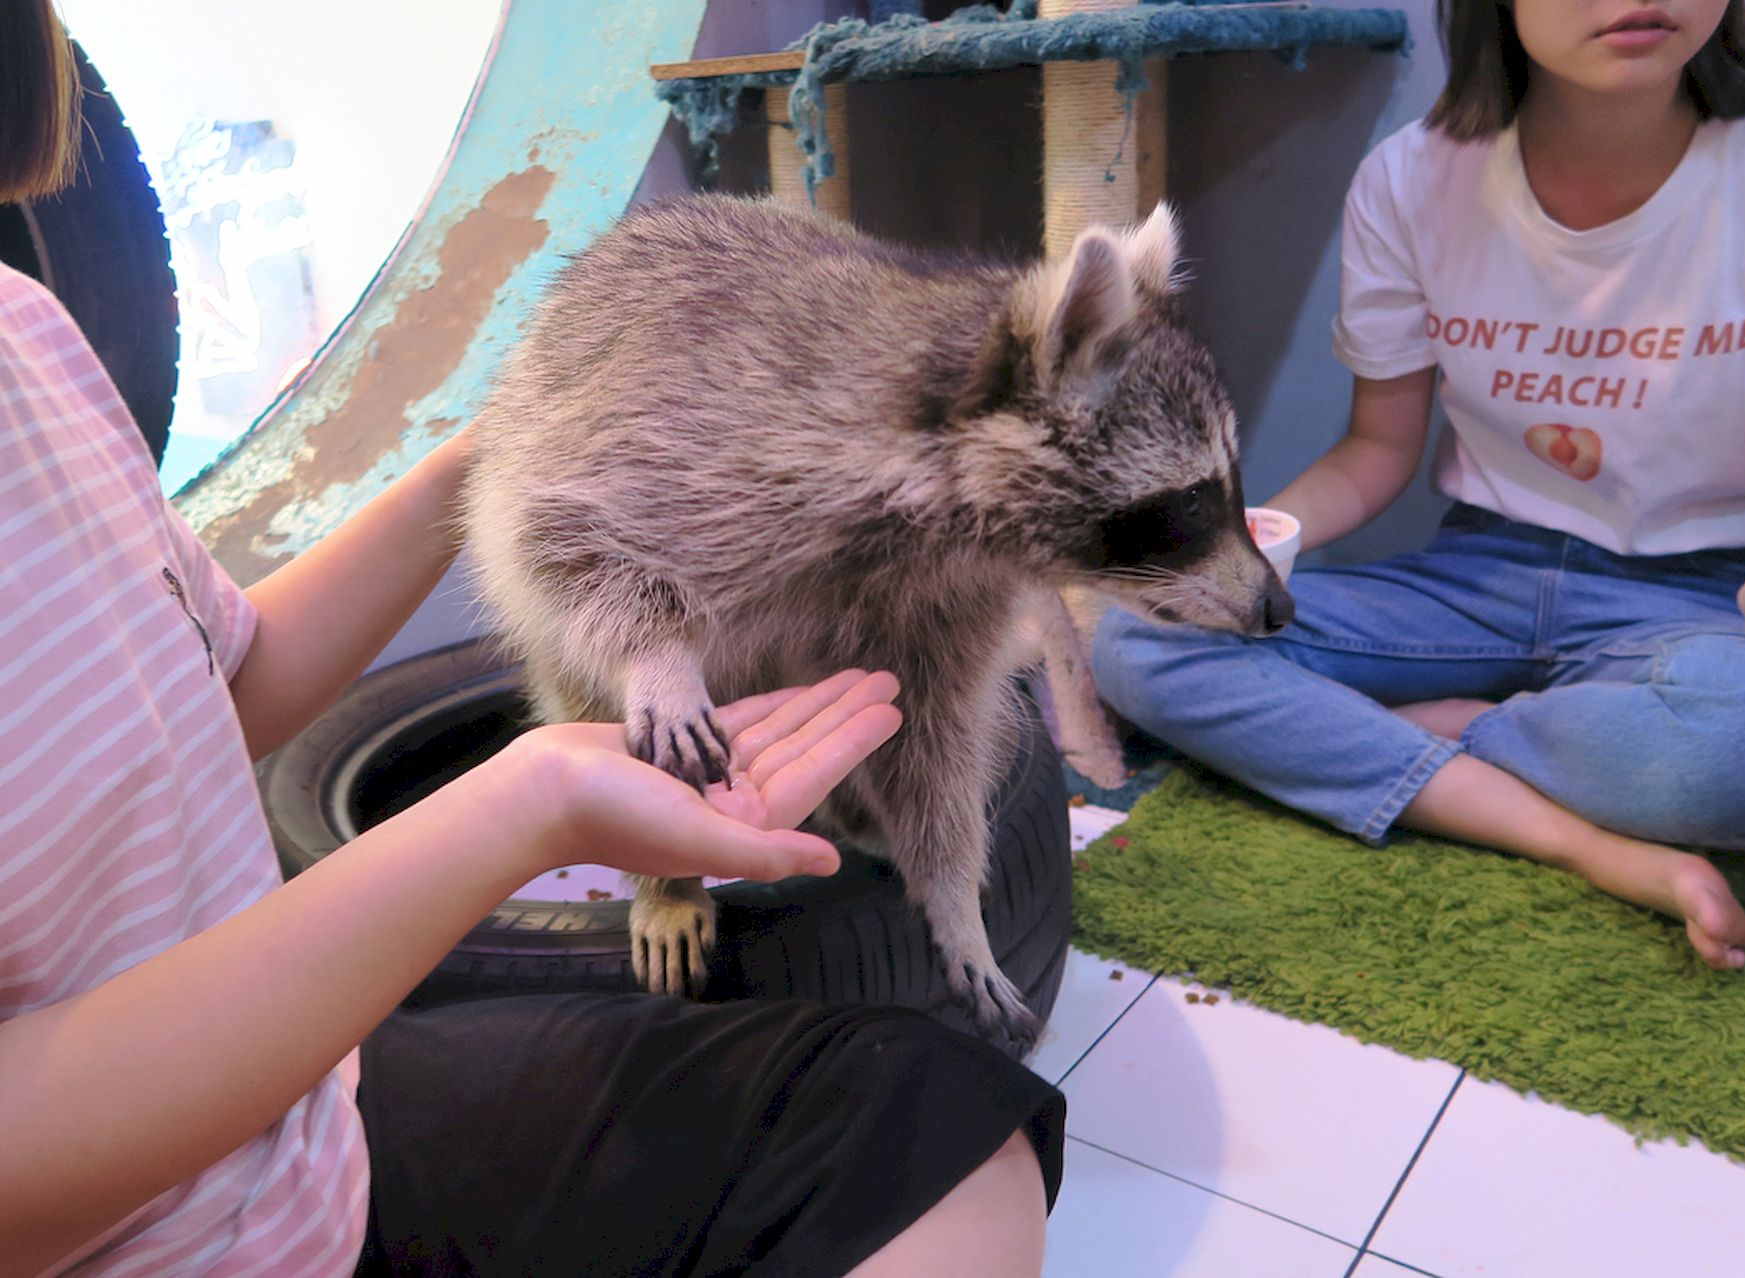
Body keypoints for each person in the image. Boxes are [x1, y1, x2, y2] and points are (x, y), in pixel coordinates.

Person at [0, 5, 1062, 1274]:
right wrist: (522, 809)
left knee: (950, 1132)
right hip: (157, 1237)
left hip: (310, 1134)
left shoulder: (31, 331)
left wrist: (547, 424)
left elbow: (216, 693)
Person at [1094, 0, 1745, 972]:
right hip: (1479, 578)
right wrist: (1243, 547)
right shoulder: (1412, 178)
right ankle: (1577, 837)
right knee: (1145, 637)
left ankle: (1463, 730)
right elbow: (1377, 449)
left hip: (1705, 598)